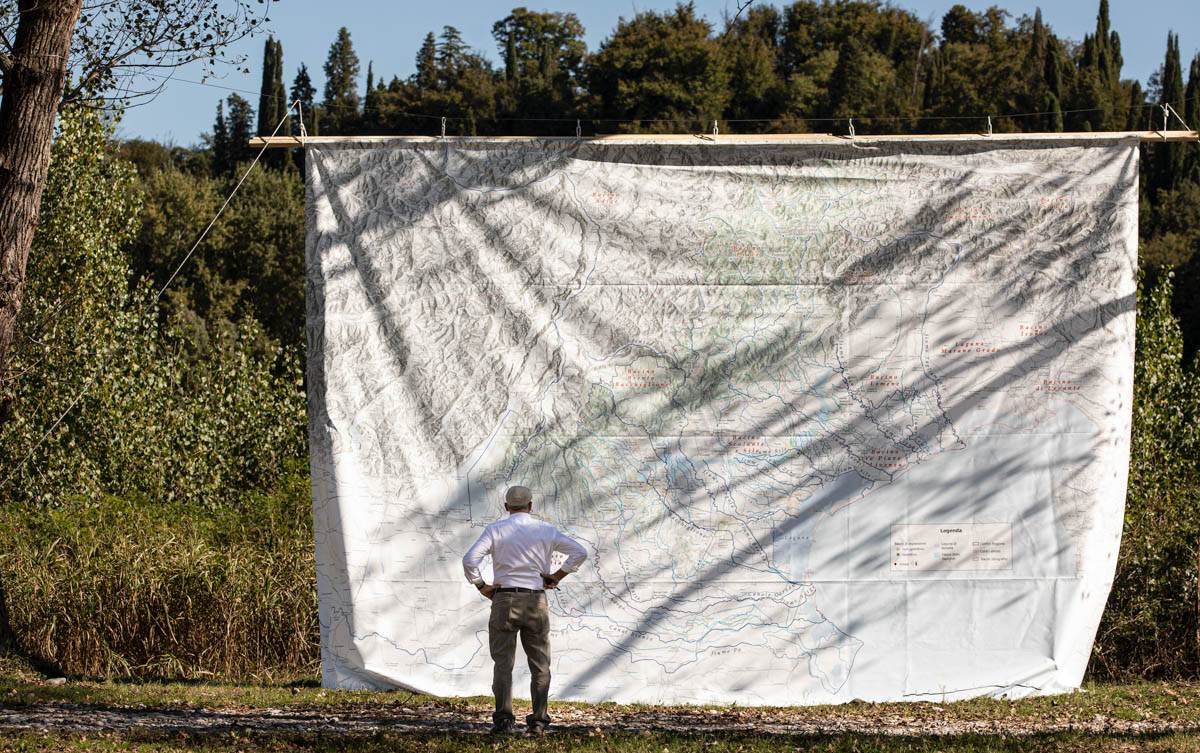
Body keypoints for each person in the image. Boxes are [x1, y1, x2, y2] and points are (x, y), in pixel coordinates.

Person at [462, 485, 587, 736]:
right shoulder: (545, 530)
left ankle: (504, 721)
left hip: (504, 599)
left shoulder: (496, 530)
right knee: (540, 664)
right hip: (535, 601)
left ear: (507, 507)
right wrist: (557, 576)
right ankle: (539, 722)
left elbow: (469, 559)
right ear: (531, 506)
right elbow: (579, 552)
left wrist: (482, 586)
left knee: (503, 664)